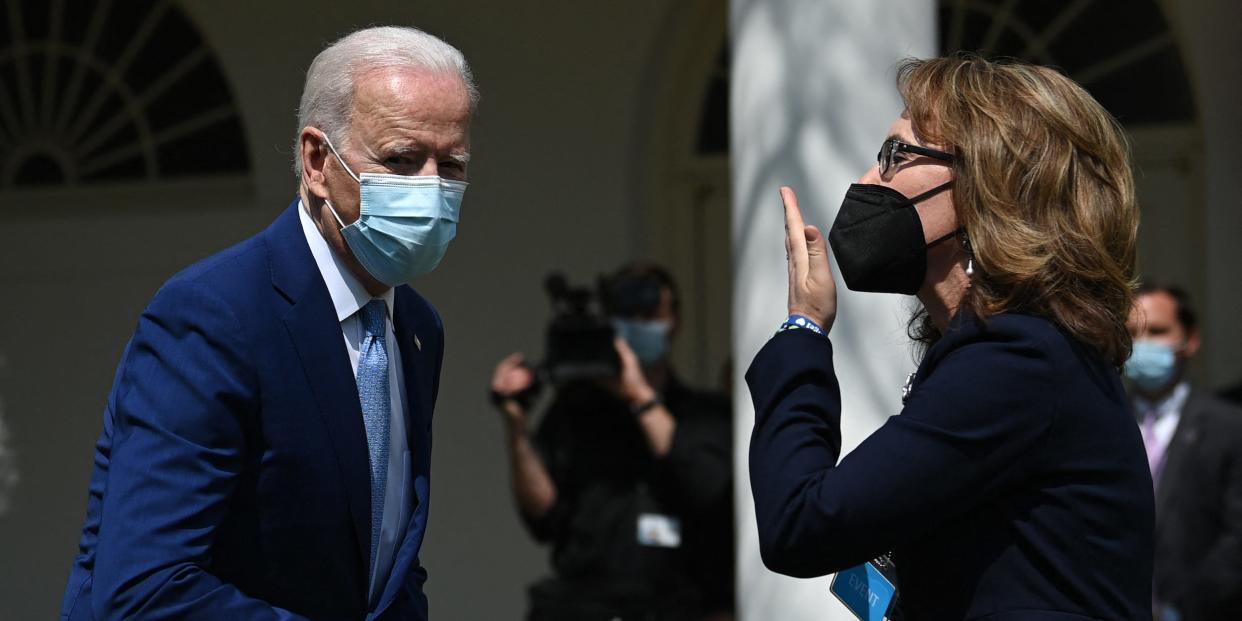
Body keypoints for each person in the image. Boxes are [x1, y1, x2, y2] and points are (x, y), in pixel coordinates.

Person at [60, 26, 477, 621]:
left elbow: (381, 566)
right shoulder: (216, 314)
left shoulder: (416, 329)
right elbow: (144, 587)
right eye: (402, 160)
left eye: (452, 165)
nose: (431, 190)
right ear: (316, 161)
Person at [747, 55, 1153, 619]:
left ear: (990, 184)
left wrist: (803, 329)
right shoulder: (1008, 351)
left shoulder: (1020, 360)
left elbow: (803, 523)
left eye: (895, 155)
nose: (867, 181)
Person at [490, 264, 734, 621]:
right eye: (628, 314)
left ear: (674, 321)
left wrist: (638, 397)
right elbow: (543, 519)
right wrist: (516, 428)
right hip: (584, 606)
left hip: (680, 605)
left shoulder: (706, 414)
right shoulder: (575, 411)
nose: (639, 323)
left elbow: (709, 491)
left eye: (650, 313)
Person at [1124, 284, 1242, 621]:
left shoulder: (1229, 426)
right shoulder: (1102, 422)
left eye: (1158, 331)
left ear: (1189, 339)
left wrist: (1180, 608)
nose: (1142, 344)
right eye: (1131, 333)